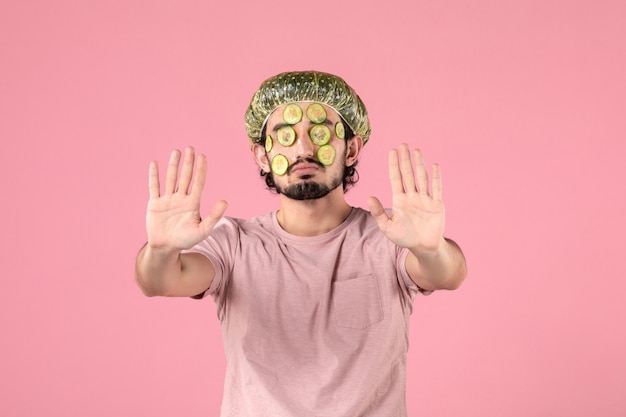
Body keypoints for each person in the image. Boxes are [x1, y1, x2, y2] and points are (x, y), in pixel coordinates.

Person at [135, 70, 467, 416]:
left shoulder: (390, 235)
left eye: (318, 133)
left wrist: (430, 249)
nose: (304, 149)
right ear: (263, 156)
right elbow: (159, 280)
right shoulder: (234, 244)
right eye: (285, 135)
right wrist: (161, 250)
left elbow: (447, 274)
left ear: (350, 148)